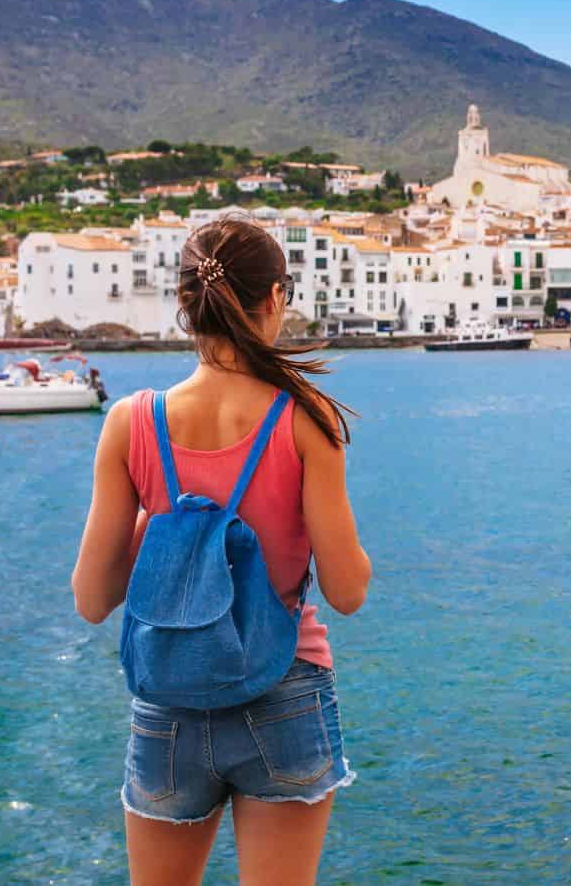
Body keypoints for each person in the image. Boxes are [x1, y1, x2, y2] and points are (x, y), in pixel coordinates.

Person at [71, 217, 372, 886]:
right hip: (284, 690)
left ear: (184, 303)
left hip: (169, 706)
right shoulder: (305, 419)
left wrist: (162, 533)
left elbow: (93, 601)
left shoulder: (132, 423)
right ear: (274, 299)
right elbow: (349, 592)